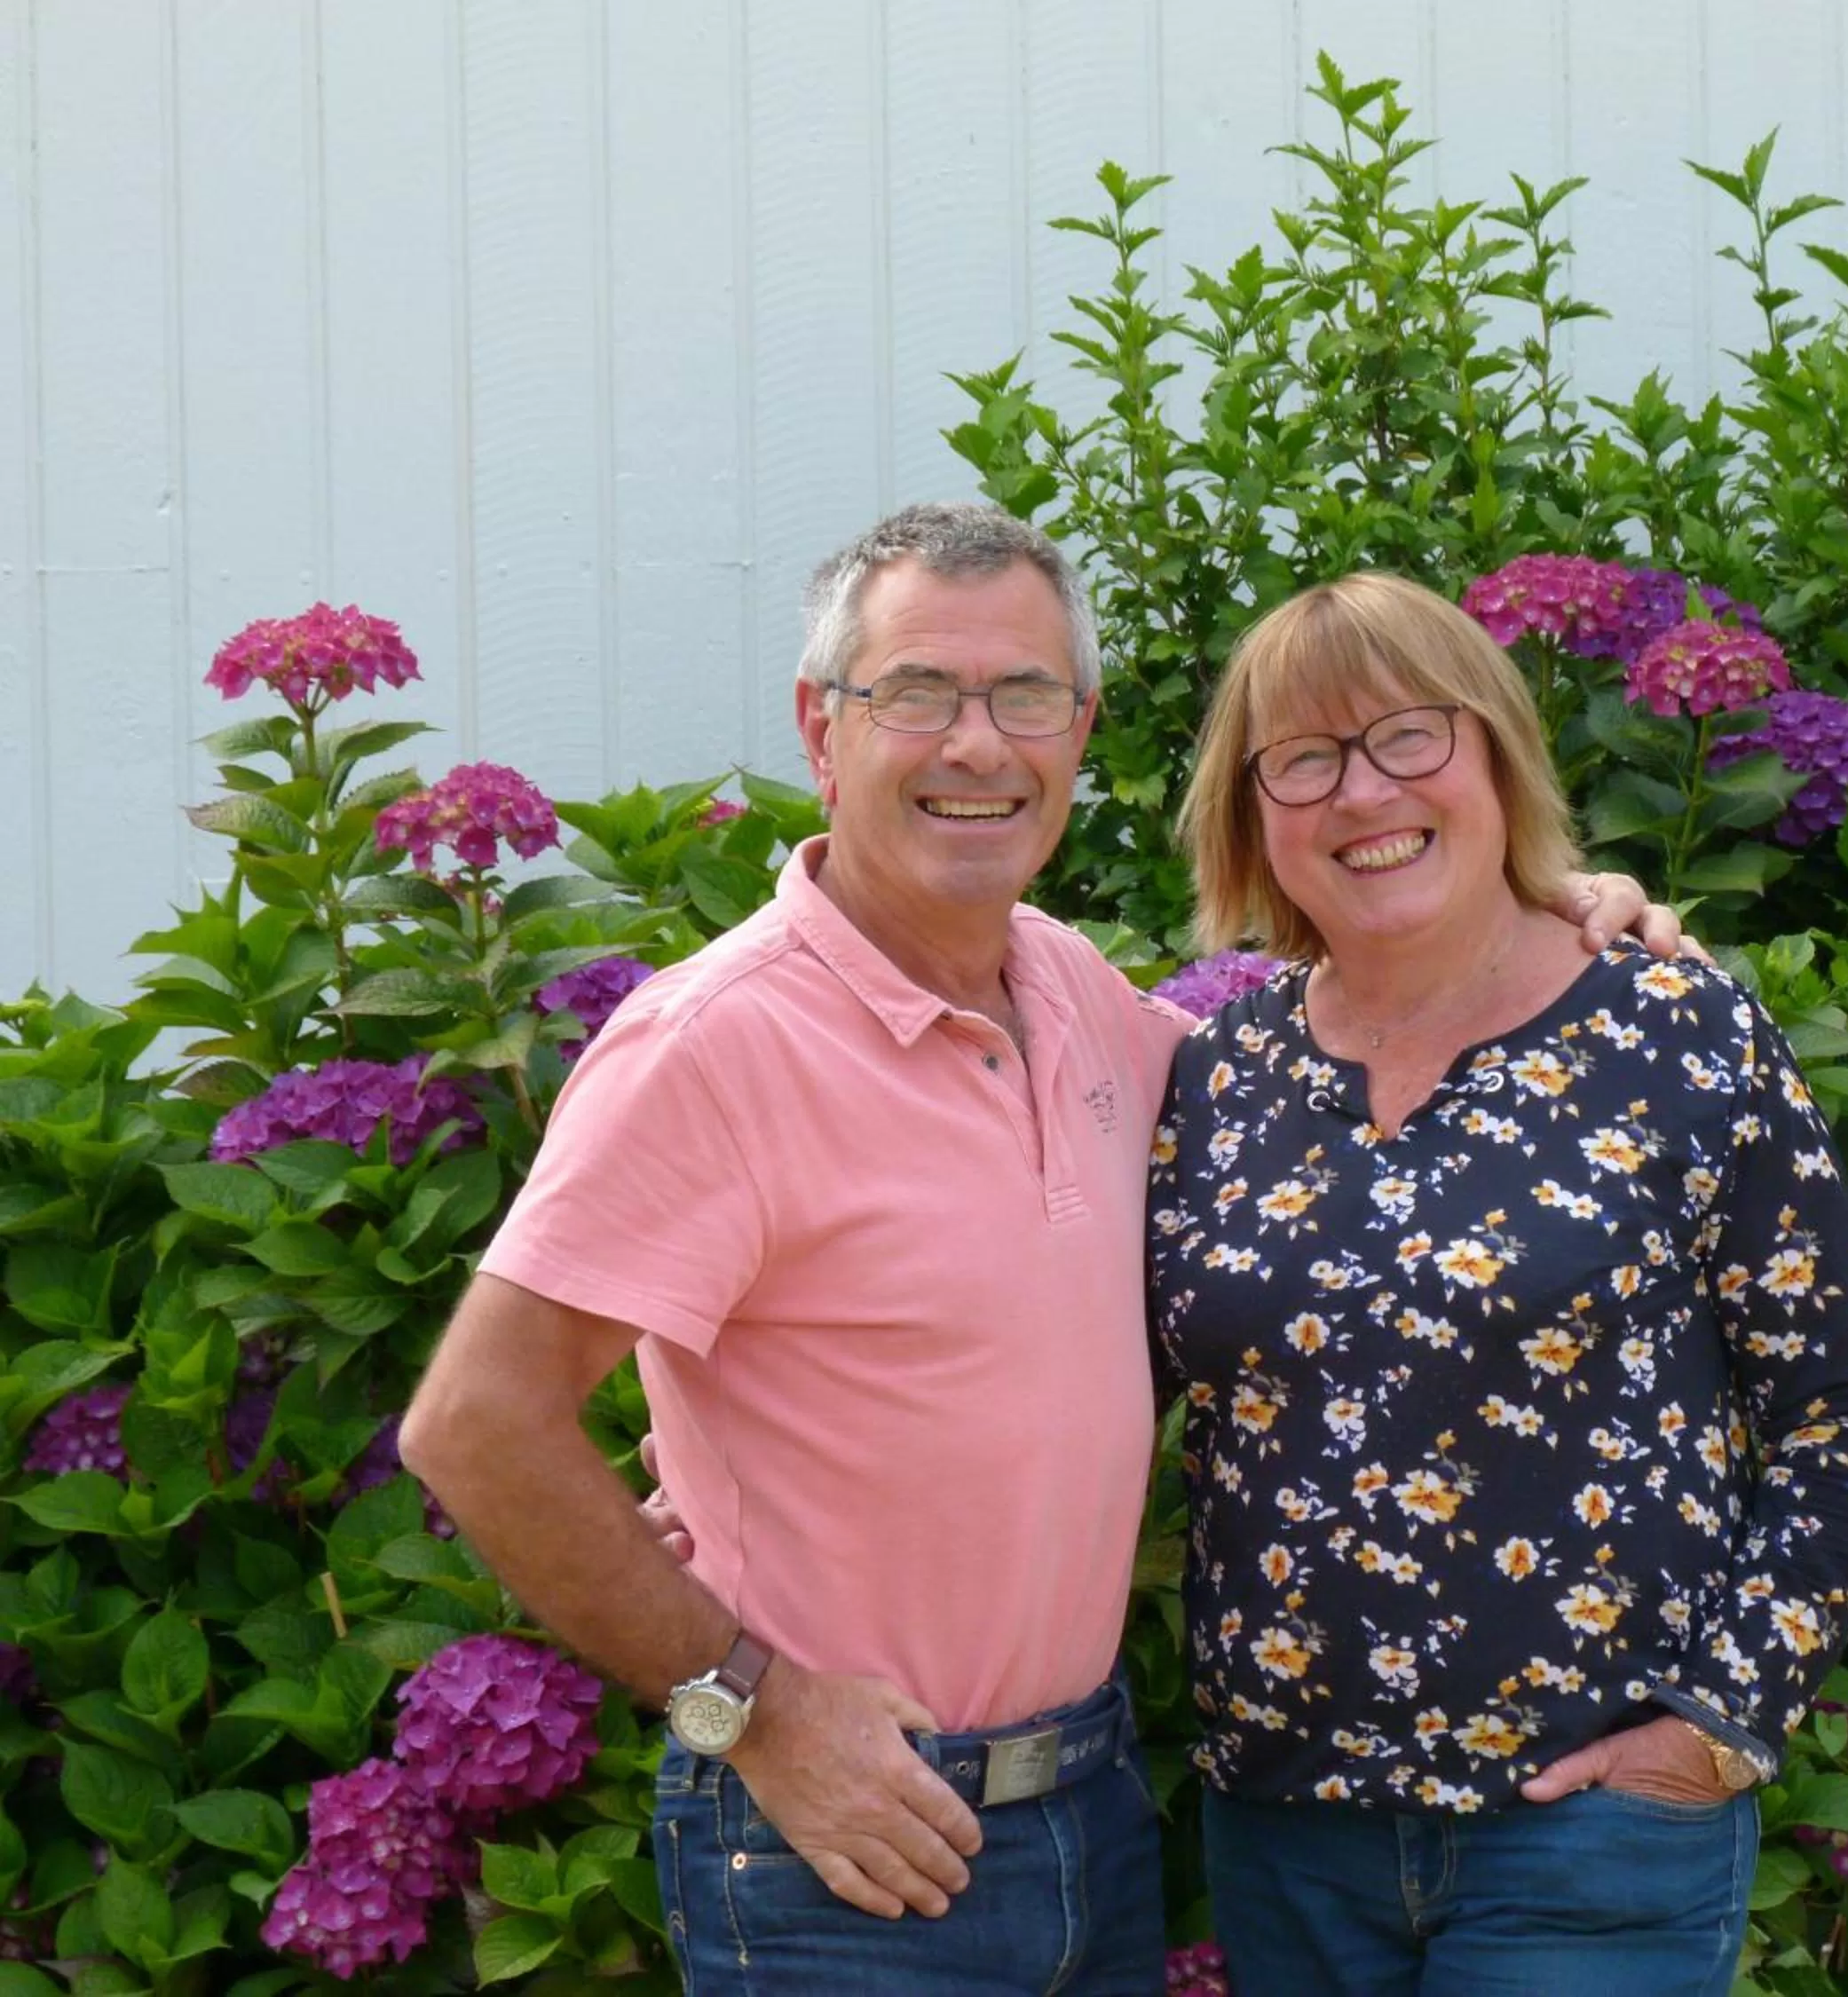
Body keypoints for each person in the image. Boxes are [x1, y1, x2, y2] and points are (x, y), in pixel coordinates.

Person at [399, 504, 1678, 1997]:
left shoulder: (1070, 990)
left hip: (1090, 1811)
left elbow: (1339, 1106)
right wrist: (750, 1703)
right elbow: (475, 1423)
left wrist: (1553, 920)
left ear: (1080, 729)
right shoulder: (712, 1046)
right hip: (850, 1841)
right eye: (919, 694)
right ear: (824, 726)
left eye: (1022, 697)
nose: (976, 745)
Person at [1149, 572, 1848, 1994]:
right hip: (1285, 1832)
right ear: (1253, 816)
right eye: (1304, 759)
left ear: (1495, 750)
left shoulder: (1672, 1024)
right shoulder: (1217, 1074)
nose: (1362, 792)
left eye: (1409, 736)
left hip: (1586, 1834)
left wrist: (1726, 1718)